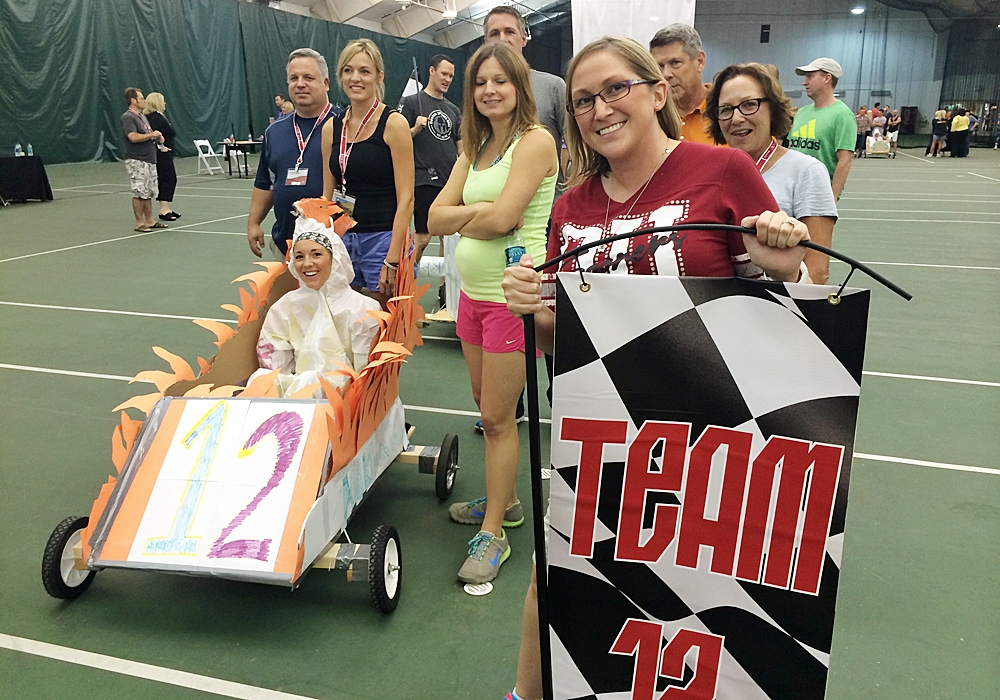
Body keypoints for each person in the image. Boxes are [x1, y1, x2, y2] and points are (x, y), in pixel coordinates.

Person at [499, 37, 809, 700]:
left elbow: (782, 303)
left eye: (616, 89)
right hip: (606, 441)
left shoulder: (723, 171)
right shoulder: (571, 205)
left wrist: (785, 257)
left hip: (716, 440)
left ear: (657, 93)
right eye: (583, 100)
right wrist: (533, 307)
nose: (599, 108)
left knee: (717, 597)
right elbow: (564, 341)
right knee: (559, 580)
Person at [427, 41, 558, 585]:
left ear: (519, 86)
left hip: (514, 301)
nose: (489, 90)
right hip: (472, 300)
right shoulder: (473, 147)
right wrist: (478, 215)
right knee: (486, 407)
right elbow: (435, 218)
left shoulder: (536, 141)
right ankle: (504, 503)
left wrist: (476, 214)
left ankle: (496, 538)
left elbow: (507, 217)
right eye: (480, 82)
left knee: (500, 419)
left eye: (500, 80)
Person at [706, 62, 837, 284]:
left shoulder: (806, 171)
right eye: (726, 109)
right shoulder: (708, 171)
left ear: (772, 108)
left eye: (749, 105)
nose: (736, 118)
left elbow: (817, 273)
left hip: (774, 310)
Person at [255, 202, 382, 399]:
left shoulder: (363, 309)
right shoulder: (284, 308)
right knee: (261, 379)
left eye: (316, 254)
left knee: (312, 382)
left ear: (335, 258)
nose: (307, 263)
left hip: (349, 405)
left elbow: (366, 374)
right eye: (299, 256)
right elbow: (274, 361)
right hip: (297, 402)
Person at [322, 39, 414, 308]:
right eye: (348, 70)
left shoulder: (394, 124)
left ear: (378, 77)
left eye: (365, 71)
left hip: (383, 240)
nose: (356, 78)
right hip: (343, 241)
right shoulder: (331, 128)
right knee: (342, 331)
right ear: (340, 76)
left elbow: (407, 198)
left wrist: (393, 258)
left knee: (385, 335)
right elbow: (326, 196)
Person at [249, 48, 336, 260]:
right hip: (287, 246)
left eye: (308, 78)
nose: (300, 84)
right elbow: (265, 183)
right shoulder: (275, 132)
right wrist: (253, 223)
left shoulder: (344, 125)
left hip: (336, 246)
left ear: (325, 83)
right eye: (294, 78)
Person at [483, 5, 568, 195]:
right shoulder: (480, 96)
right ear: (485, 42)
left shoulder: (553, 86)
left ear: (523, 39)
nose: (502, 39)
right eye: (494, 33)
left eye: (509, 32)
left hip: (546, 214)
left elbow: (577, 145)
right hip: (489, 211)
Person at [400, 54, 461, 264]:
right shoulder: (410, 103)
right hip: (424, 179)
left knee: (448, 236)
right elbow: (397, 140)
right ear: (432, 71)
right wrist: (415, 129)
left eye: (451, 76)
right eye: (444, 73)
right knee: (423, 237)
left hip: (450, 181)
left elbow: (461, 148)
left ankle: (445, 289)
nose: (447, 79)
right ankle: (408, 283)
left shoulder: (453, 110)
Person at [788, 58, 855, 200]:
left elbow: (845, 161)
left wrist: (831, 198)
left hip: (818, 194)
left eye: (810, 76)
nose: (804, 82)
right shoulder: (801, 112)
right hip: (791, 190)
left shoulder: (843, 115)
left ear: (827, 78)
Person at [649, 24, 716, 145]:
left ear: (700, 61)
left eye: (675, 63)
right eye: (660, 66)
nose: (666, 74)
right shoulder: (650, 117)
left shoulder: (726, 112)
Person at [120, 88, 166, 233]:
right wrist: (151, 134)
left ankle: (150, 220)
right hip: (137, 160)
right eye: (141, 98)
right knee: (139, 192)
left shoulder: (142, 116)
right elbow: (133, 137)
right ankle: (140, 223)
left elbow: (146, 134)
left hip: (149, 159)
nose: (144, 100)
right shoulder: (128, 117)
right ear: (133, 100)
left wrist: (156, 137)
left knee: (148, 191)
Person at [143, 92, 181, 222]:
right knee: (169, 179)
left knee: (166, 179)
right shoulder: (155, 118)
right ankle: (164, 210)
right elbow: (153, 135)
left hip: (165, 153)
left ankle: (166, 208)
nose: (164, 104)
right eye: (162, 101)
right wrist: (161, 147)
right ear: (156, 103)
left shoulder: (159, 117)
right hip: (161, 155)